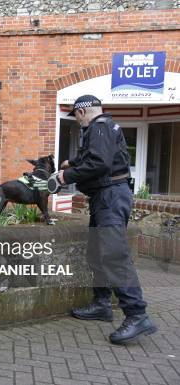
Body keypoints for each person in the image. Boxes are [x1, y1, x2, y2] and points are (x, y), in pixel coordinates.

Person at [57, 94, 157, 344]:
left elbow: (99, 164)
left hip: (111, 197)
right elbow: (98, 157)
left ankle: (137, 315)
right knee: (96, 252)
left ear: (81, 112)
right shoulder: (107, 127)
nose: (78, 122)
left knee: (113, 255)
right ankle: (101, 304)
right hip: (107, 197)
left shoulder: (98, 127)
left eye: (77, 117)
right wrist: (74, 162)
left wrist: (66, 176)